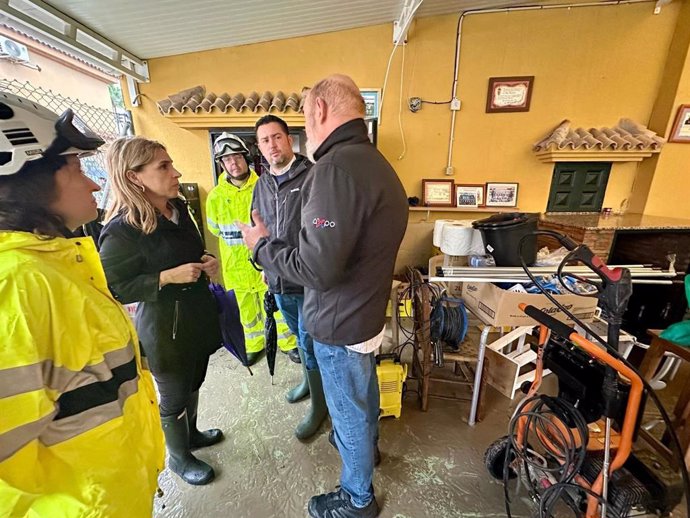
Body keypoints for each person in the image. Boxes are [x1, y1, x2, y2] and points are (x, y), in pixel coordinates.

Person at [239, 74, 408, 518]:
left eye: (302, 120)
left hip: (339, 320)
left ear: (319, 111)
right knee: (362, 393)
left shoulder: (333, 169)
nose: (304, 131)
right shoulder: (375, 162)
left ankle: (357, 499)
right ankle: (366, 455)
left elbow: (317, 267)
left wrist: (261, 247)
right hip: (364, 312)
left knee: (347, 410)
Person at [0, 93, 164, 515]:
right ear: (28, 179)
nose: (93, 182)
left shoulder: (56, 268)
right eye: (75, 167)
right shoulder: (17, 286)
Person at [99, 137, 223, 486]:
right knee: (172, 394)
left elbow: (191, 252)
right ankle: (179, 457)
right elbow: (114, 286)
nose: (176, 172)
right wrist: (165, 277)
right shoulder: (122, 231)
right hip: (165, 328)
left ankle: (193, 434)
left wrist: (206, 262)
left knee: (194, 379)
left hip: (196, 316)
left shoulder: (178, 209)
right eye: (163, 167)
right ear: (134, 177)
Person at [253, 114, 327, 440]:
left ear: (289, 140)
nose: (272, 145)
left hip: (306, 281)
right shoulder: (262, 184)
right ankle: (309, 384)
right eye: (265, 140)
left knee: (311, 343)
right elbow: (258, 228)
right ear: (260, 147)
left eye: (277, 137)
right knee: (298, 337)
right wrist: (262, 263)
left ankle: (320, 407)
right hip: (278, 281)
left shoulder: (312, 177)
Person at [206, 132, 297, 365]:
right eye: (227, 160)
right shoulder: (215, 196)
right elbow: (215, 229)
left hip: (265, 260)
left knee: (276, 305)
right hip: (235, 266)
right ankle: (254, 344)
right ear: (221, 164)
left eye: (236, 157)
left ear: (246, 158)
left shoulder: (265, 186)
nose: (233, 164)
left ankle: (287, 343)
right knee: (247, 311)